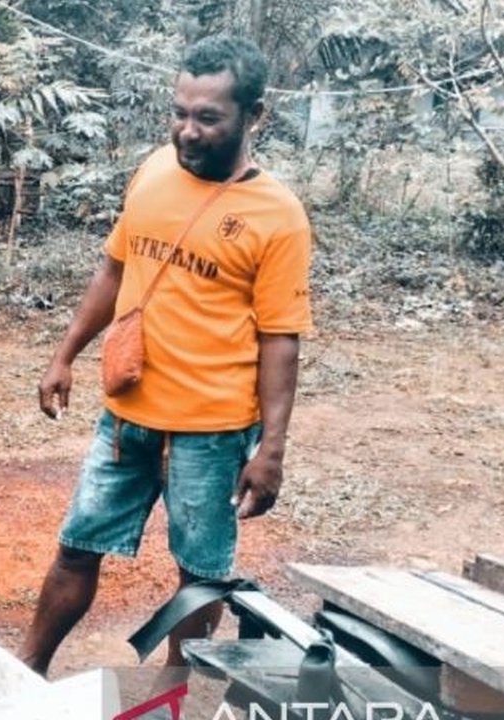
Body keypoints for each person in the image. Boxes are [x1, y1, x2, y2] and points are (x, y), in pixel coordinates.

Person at [18, 35, 312, 682]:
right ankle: (25, 671)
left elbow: (281, 339)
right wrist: (64, 355)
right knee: (77, 547)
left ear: (252, 116)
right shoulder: (154, 170)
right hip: (127, 416)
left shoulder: (278, 216)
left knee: (199, 578)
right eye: (180, 112)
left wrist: (272, 450)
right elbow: (113, 269)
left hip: (213, 433)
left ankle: (174, 695)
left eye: (208, 117)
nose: (187, 130)